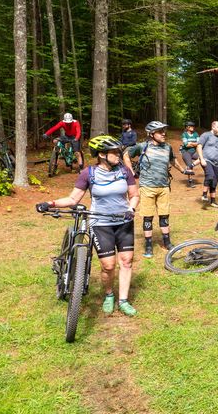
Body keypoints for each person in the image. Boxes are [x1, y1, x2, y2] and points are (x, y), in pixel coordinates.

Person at [36, 135, 139, 316]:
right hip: (101, 223)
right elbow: (73, 199)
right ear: (101, 154)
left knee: (126, 261)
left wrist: (131, 208)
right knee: (108, 265)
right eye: (114, 152)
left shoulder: (125, 171)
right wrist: (50, 203)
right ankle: (109, 295)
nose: (118, 155)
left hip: (124, 222)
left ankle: (123, 300)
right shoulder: (88, 173)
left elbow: (134, 194)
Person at [125, 121, 187, 258]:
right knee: (148, 217)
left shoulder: (168, 147)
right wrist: (130, 172)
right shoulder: (143, 146)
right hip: (147, 187)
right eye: (160, 132)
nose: (163, 133)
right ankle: (148, 246)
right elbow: (126, 154)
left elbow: (172, 161)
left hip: (164, 187)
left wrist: (183, 170)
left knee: (164, 216)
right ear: (152, 134)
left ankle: (167, 242)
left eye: (164, 131)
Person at [197, 121, 218, 208]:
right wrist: (201, 159)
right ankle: (204, 195)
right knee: (210, 175)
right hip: (207, 160)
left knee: (215, 180)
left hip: (216, 163)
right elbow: (199, 146)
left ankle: (213, 201)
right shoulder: (206, 135)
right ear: (213, 127)